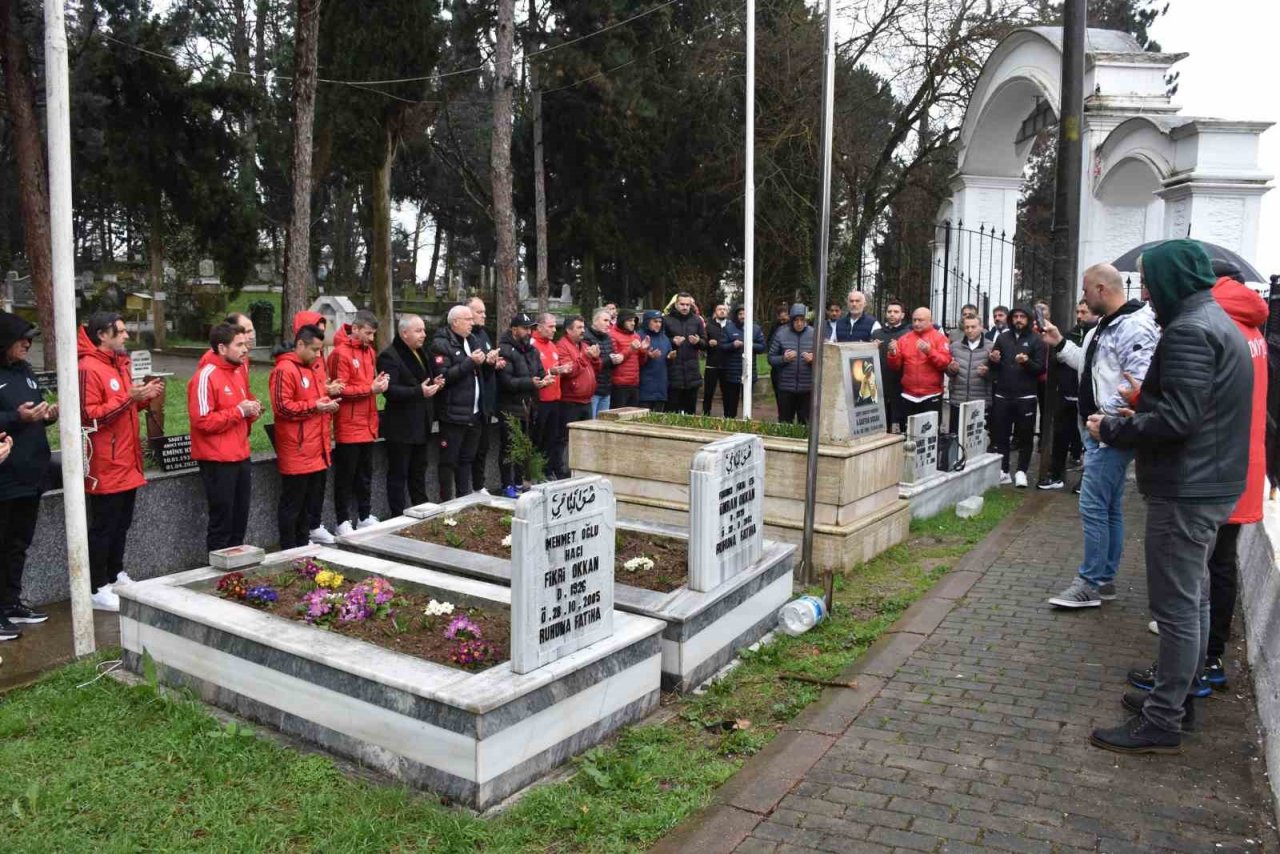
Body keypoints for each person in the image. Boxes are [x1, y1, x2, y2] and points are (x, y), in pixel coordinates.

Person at [1088, 239, 1252, 755]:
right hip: (1212, 482)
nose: (1146, 294)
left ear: (1170, 281)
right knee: (1195, 600)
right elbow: (1197, 408)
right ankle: (1175, 698)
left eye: (1148, 283)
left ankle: (1164, 720)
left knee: (1178, 606)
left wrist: (1116, 427)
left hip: (1187, 488)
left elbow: (1180, 420)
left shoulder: (1188, 332)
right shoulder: (1218, 321)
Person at [1042, 264, 1159, 609]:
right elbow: (1090, 367)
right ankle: (1104, 580)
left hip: (1111, 431)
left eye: (1085, 290)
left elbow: (1137, 381)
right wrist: (1060, 343)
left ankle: (1090, 582)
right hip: (1097, 429)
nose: (1083, 297)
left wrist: (1103, 417)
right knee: (1108, 506)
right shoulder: (1103, 326)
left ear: (1102, 290)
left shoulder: (1134, 327)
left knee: (1093, 505)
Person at [79, 313, 163, 612]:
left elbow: (123, 406)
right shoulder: (88, 368)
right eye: (122, 331)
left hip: (127, 461)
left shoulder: (119, 365)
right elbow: (89, 416)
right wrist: (130, 397)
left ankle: (115, 575)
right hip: (105, 462)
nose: (127, 336)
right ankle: (96, 586)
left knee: (122, 524)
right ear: (103, 334)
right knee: (104, 526)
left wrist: (142, 397)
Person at [0, 313, 55, 638]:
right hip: (5, 477)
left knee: (19, 544)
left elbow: (31, 414)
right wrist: (14, 417)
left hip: (31, 474)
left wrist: (45, 415)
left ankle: (11, 603)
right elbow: (12, 418)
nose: (27, 344)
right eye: (22, 338)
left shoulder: (25, 371)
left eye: (31, 338)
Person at [189, 322, 261, 553]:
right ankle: (217, 575)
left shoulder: (238, 372)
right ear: (221, 348)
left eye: (246, 344)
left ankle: (236, 572)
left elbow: (238, 414)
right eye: (239, 345)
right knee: (222, 521)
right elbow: (202, 421)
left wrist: (252, 412)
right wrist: (240, 411)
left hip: (241, 455)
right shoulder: (205, 376)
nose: (245, 349)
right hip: (217, 460)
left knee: (240, 518)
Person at [270, 325, 340, 549]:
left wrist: (326, 404)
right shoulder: (284, 369)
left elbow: (315, 401)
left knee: (308, 503)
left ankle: (303, 542)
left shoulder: (312, 367)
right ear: (300, 344)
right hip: (297, 448)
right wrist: (316, 406)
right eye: (314, 349)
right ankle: (289, 547)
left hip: (315, 446)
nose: (318, 355)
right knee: (293, 504)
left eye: (320, 350)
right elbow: (282, 407)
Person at [328, 311, 389, 535]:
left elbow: (367, 384)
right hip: (349, 423)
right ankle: (342, 520)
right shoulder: (340, 354)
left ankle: (364, 515)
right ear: (354, 329)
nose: (371, 338)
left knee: (365, 473)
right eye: (368, 333)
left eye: (373, 334)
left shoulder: (369, 352)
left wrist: (378, 384)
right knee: (346, 476)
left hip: (367, 422)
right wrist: (370, 389)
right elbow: (340, 390)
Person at [377, 314, 443, 517]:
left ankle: (420, 506)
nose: (423, 334)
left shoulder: (422, 353)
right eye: (418, 331)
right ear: (404, 333)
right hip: (401, 426)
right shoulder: (390, 356)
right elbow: (390, 391)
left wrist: (436, 383)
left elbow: (427, 379)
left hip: (422, 423)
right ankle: (396, 514)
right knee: (399, 473)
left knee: (419, 470)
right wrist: (418, 391)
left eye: (423, 330)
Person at [433, 304, 497, 500]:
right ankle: (447, 501)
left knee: (467, 458)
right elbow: (443, 377)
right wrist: (470, 362)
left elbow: (480, 375)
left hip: (475, 412)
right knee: (449, 461)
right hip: (453, 413)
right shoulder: (441, 344)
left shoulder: (473, 339)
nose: (472, 323)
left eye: (472, 319)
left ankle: (464, 497)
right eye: (467, 320)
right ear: (455, 322)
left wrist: (489, 363)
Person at [290, 310, 342, 543]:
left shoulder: (317, 358)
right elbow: (287, 404)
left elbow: (317, 388)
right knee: (300, 493)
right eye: (317, 329)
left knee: (318, 484)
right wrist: (317, 402)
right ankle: (301, 533)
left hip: (320, 429)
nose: (322, 334)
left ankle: (314, 524)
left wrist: (328, 390)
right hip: (303, 435)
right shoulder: (292, 365)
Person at [1037, 300, 1095, 490]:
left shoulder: (1097, 336)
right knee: (1060, 436)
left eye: (1084, 312)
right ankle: (1056, 475)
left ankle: (1086, 479)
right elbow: (1056, 359)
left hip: (1087, 397)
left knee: (1088, 441)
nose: (1079, 316)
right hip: (1066, 393)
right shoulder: (1069, 334)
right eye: (1077, 311)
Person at [988, 307, 1044, 487]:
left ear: (1028, 319)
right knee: (1001, 435)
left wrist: (1026, 362)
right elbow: (994, 366)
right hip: (1003, 394)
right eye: (1016, 317)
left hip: (1026, 396)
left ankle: (1022, 471)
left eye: (1022, 317)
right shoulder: (1003, 337)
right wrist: (993, 360)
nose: (1018, 320)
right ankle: (1004, 470)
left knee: (1025, 435)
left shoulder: (1036, 339)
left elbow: (1040, 369)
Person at [497, 312, 551, 497]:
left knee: (525, 447)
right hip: (510, 407)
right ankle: (506, 484)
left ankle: (520, 481)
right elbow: (507, 381)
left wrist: (546, 379)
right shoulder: (504, 350)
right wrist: (531, 383)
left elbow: (540, 372)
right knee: (509, 448)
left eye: (530, 328)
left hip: (529, 407)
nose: (528, 332)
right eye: (525, 328)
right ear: (514, 329)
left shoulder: (532, 350)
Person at [886, 307, 951, 422]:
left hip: (931, 395)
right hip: (908, 395)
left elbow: (944, 363)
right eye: (914, 320)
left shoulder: (940, 338)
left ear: (930, 321)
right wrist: (893, 353)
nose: (916, 323)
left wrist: (929, 351)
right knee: (908, 433)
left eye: (920, 320)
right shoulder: (904, 339)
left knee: (930, 435)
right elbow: (895, 367)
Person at [555, 315, 602, 472]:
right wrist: (585, 357)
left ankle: (583, 468)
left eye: (583, 327)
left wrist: (595, 359)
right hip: (570, 400)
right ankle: (562, 469)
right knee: (565, 438)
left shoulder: (584, 345)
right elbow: (569, 372)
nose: (583, 331)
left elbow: (595, 369)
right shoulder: (562, 346)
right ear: (568, 330)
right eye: (579, 328)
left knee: (586, 437)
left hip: (586, 399)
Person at [466, 297, 498, 492]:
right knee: (468, 451)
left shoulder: (484, 334)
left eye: (484, 312)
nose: (484, 315)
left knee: (483, 449)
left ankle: (479, 485)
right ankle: (467, 489)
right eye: (479, 312)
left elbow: (486, 368)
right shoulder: (467, 338)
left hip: (485, 402)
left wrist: (493, 362)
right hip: (469, 405)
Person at [530, 313, 567, 476]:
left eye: (554, 326)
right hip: (540, 400)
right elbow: (531, 372)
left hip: (555, 399)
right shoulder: (532, 345)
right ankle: (534, 473)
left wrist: (562, 370)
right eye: (550, 326)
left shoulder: (552, 345)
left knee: (551, 439)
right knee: (538, 440)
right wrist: (549, 371)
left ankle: (546, 471)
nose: (554, 330)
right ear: (539, 327)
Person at [768, 303, 816, 424]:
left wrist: (814, 359)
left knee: (805, 424)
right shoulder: (780, 333)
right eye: (796, 320)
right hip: (785, 388)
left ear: (806, 320)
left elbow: (825, 358)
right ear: (791, 320)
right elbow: (771, 358)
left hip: (807, 389)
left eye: (802, 320)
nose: (799, 323)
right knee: (785, 422)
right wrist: (784, 359)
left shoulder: (815, 334)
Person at [945, 314, 991, 432]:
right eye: (967, 327)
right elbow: (948, 371)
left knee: (977, 438)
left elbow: (997, 374)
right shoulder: (954, 346)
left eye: (973, 327)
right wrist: (951, 369)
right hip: (958, 400)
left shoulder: (991, 346)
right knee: (956, 437)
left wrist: (987, 373)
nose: (969, 330)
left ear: (981, 327)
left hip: (980, 400)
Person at [720, 305, 766, 418]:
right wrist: (732, 345)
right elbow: (722, 347)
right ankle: (730, 422)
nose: (742, 316)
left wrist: (748, 344)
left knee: (747, 403)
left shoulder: (756, 329)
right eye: (740, 314)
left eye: (745, 313)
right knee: (731, 404)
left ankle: (747, 422)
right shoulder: (728, 328)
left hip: (749, 372)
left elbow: (762, 347)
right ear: (736, 316)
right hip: (732, 373)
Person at [663, 292, 705, 414]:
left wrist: (698, 341)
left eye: (687, 304)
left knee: (690, 413)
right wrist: (672, 341)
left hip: (692, 373)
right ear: (676, 304)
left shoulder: (697, 320)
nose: (685, 307)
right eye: (682, 304)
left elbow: (705, 343)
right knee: (672, 413)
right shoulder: (666, 320)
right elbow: (660, 340)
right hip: (673, 373)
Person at [872, 300, 910, 433]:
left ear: (903, 315)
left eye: (896, 312)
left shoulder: (908, 333)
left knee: (897, 428)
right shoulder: (876, 333)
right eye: (889, 312)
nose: (892, 314)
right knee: (880, 428)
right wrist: (871, 348)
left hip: (900, 387)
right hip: (880, 386)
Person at [585, 308, 621, 417]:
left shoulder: (608, 338)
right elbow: (588, 364)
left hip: (606, 387)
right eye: (605, 320)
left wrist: (616, 360)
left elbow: (610, 359)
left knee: (603, 423)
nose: (608, 324)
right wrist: (610, 359)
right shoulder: (586, 338)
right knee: (591, 423)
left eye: (610, 321)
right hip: (593, 390)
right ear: (595, 321)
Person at [608, 310, 645, 409]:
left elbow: (641, 362)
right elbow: (615, 359)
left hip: (634, 382)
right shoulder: (612, 335)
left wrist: (644, 351)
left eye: (634, 321)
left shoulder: (636, 336)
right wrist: (631, 349)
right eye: (629, 320)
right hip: (619, 384)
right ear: (622, 321)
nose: (633, 323)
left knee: (632, 416)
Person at [638, 310, 672, 412]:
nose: (658, 324)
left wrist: (670, 357)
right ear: (647, 322)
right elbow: (635, 360)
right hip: (645, 386)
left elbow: (668, 360)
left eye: (660, 322)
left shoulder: (664, 338)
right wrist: (647, 355)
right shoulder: (639, 336)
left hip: (661, 386)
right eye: (655, 321)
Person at [702, 303, 730, 415]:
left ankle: (728, 416)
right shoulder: (709, 326)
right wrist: (708, 343)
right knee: (708, 392)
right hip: (712, 364)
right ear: (715, 312)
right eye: (720, 309)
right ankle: (706, 414)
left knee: (727, 393)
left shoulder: (731, 326)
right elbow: (703, 344)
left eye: (724, 309)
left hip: (727, 365)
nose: (722, 311)